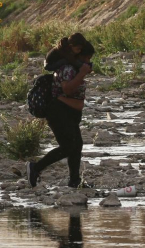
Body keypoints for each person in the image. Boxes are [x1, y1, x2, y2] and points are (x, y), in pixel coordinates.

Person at [27, 41, 95, 189]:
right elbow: (68, 89)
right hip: (58, 111)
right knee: (68, 146)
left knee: (77, 145)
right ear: (79, 56)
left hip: (69, 112)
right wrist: (82, 73)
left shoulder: (73, 68)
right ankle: (36, 168)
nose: (88, 62)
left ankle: (74, 180)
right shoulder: (67, 69)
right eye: (87, 58)